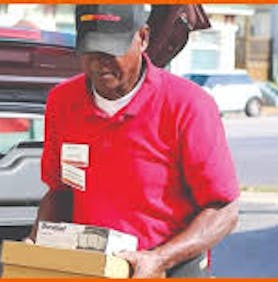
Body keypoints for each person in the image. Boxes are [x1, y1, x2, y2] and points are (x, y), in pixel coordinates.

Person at [26, 4, 240, 278]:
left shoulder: (188, 105)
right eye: (90, 51)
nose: (99, 62)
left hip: (169, 269)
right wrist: (38, 244)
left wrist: (159, 258)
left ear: (143, 38)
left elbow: (223, 210)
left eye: (111, 50)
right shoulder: (63, 102)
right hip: (90, 270)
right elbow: (61, 191)